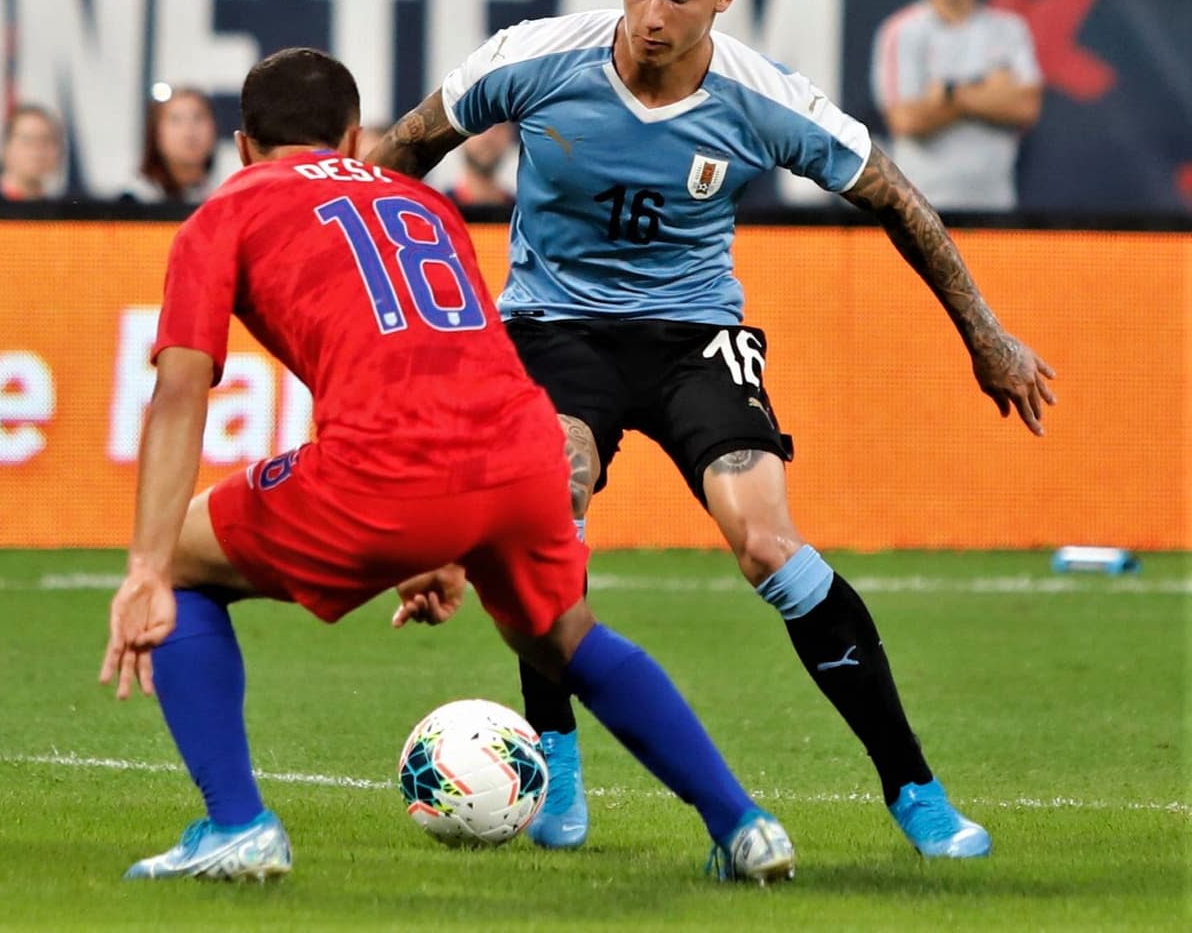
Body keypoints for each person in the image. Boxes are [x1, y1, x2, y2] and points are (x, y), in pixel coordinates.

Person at [368, 0, 1056, 858]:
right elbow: (395, 159)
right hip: (552, 327)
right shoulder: (530, 60)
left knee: (769, 544)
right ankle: (554, 754)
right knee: (551, 495)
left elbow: (895, 198)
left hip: (693, 335)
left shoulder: (758, 97)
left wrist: (985, 336)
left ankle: (911, 786)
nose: (649, 15)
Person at [98, 47, 796, 886]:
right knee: (566, 637)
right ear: (353, 137)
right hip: (523, 452)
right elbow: (447, 361)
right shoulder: (425, 202)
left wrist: (143, 566)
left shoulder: (225, 213)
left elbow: (180, 394)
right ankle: (744, 825)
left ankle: (236, 824)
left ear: (243, 146)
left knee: (180, 566)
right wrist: (442, 541)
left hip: (389, 470)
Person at [871, 0, 1043, 211]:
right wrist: (987, 92)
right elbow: (906, 119)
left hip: (995, 208)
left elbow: (1026, 107)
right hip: (921, 212)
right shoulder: (901, 32)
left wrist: (949, 94)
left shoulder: (1009, 30)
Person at [120, 87, 218, 204]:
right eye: (176, 120)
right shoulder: (133, 203)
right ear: (156, 134)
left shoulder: (223, 199)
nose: (189, 132)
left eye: (198, 118)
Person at [0, 104, 63, 201]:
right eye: (28, 140)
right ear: (5, 148)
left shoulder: (63, 210)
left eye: (46, 140)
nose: (38, 149)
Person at [443, 123, 516, 208]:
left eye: (499, 127)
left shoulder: (523, 214)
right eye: (479, 127)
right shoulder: (438, 212)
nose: (488, 136)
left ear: (510, 136)